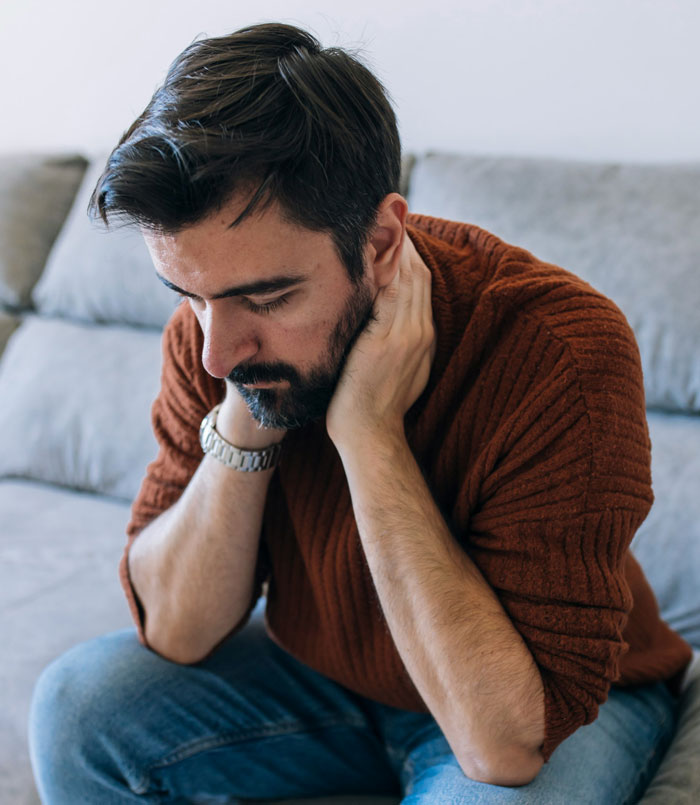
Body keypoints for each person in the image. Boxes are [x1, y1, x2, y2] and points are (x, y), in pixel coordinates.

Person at [29, 21, 693, 804]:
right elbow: (176, 629)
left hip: (534, 694)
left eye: (267, 296)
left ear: (380, 242)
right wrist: (250, 414)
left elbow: (502, 741)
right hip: (328, 679)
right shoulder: (217, 341)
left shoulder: (558, 348)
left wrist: (371, 436)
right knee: (76, 707)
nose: (215, 349)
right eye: (189, 296)